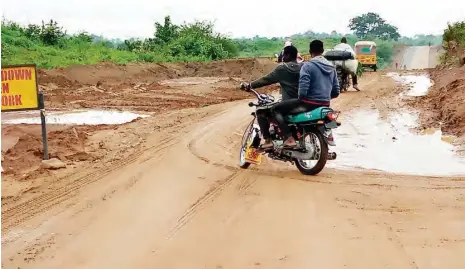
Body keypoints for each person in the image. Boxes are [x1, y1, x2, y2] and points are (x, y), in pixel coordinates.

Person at [272, 40, 340, 148]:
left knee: (276, 109)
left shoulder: (307, 66)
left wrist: (303, 98)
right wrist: (323, 97)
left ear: (310, 51)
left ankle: (289, 138)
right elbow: (336, 91)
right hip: (325, 104)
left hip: (308, 104)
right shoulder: (332, 68)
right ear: (322, 51)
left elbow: (303, 92)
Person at [243, 45, 302, 149]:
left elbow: (266, 79)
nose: (282, 57)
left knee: (261, 111)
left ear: (288, 55)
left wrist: (250, 85)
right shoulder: (304, 67)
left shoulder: (283, 68)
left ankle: (269, 140)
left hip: (289, 104)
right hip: (304, 103)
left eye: (284, 55)